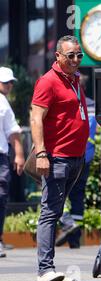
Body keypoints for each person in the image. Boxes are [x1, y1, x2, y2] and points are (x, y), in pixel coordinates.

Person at [30, 35, 89, 281]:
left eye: (79, 55)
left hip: (76, 157)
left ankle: (48, 266)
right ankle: (45, 270)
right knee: (50, 212)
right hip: (57, 158)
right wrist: (42, 153)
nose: (76, 60)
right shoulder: (48, 81)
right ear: (58, 57)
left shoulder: (74, 80)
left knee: (59, 210)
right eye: (70, 56)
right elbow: (35, 119)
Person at [55, 74, 97, 249]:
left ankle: (67, 222)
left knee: (57, 191)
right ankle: (75, 238)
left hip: (68, 154)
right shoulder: (94, 106)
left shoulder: (70, 102)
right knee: (77, 195)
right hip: (86, 156)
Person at [0, 67, 25, 258]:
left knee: (1, 197)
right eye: (5, 82)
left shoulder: (3, 103)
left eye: (10, 82)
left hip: (1, 156)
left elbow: (12, 132)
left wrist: (19, 155)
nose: (9, 86)